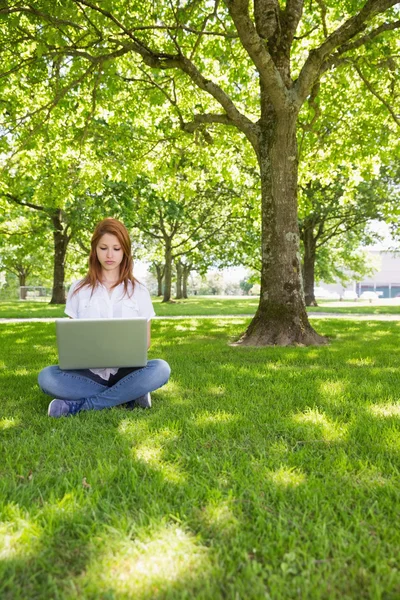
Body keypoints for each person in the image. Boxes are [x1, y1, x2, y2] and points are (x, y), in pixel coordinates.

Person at [38, 218, 171, 418]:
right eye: (104, 248)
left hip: (126, 372)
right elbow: (73, 341)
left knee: (161, 368)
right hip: (88, 374)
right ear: (95, 250)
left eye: (116, 249)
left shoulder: (139, 290)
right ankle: (130, 396)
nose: (110, 255)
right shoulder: (79, 289)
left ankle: (80, 406)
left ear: (125, 251)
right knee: (47, 377)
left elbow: (145, 342)